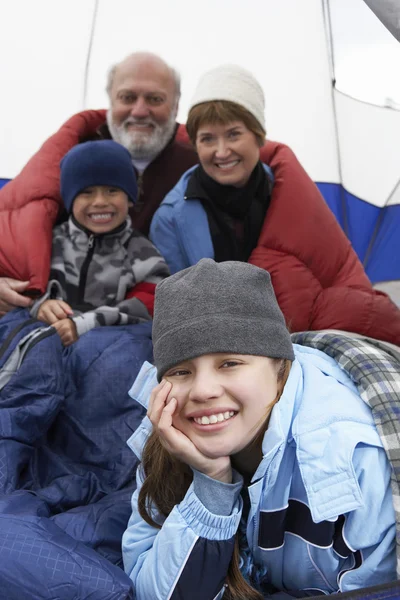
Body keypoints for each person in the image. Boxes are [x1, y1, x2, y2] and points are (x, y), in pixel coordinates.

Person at [122, 259, 395, 599]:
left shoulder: (355, 455)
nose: (203, 390)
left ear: (280, 365)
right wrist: (211, 485)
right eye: (181, 371)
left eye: (230, 363)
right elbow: (151, 590)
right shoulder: (167, 433)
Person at [149, 64, 400, 345]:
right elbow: (180, 313)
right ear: (196, 145)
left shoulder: (291, 194)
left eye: (233, 134)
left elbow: (333, 272)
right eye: (208, 139)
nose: (221, 151)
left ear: (258, 136)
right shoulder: (171, 219)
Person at [0, 52, 197, 314]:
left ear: (175, 106)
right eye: (127, 97)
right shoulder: (71, 155)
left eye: (155, 99)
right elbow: (16, 224)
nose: (139, 111)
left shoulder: (199, 168)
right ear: (110, 101)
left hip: (148, 327)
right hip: (47, 321)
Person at [31, 140, 169, 346]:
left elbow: (149, 305)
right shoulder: (45, 243)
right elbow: (25, 285)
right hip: (47, 340)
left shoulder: (144, 254)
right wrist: (41, 305)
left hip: (106, 346)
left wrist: (84, 325)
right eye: (86, 192)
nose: (100, 202)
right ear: (70, 200)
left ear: (130, 198)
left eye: (112, 191)